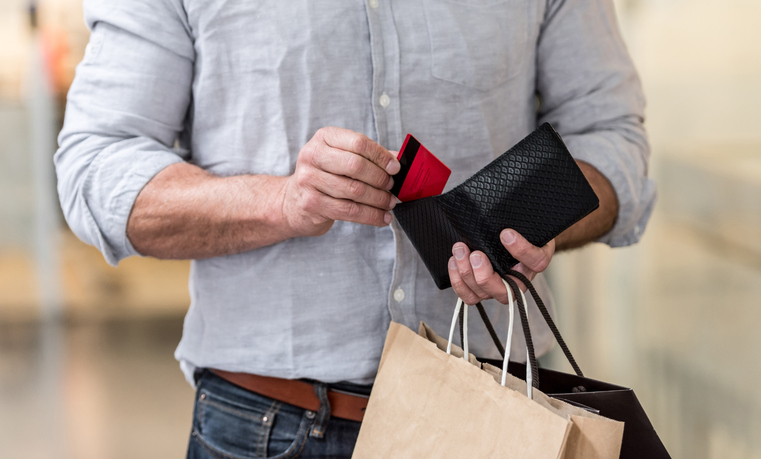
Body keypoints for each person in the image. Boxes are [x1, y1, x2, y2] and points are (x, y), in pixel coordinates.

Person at [55, 0, 656, 457]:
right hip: (264, 425)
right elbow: (96, 168)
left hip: (498, 416)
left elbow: (613, 141)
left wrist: (530, 218)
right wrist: (282, 203)